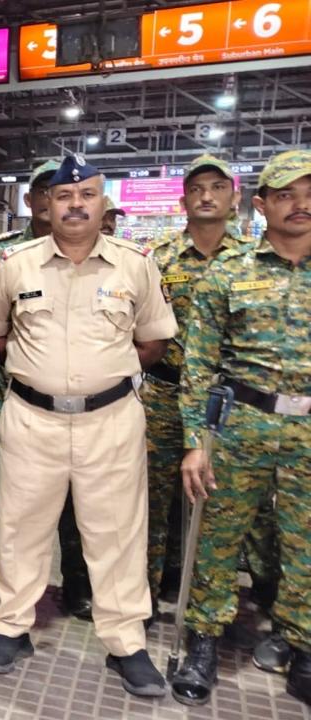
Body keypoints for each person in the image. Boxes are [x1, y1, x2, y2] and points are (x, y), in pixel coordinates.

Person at [0, 155, 176, 697]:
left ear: (102, 202)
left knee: (116, 532)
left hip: (110, 420)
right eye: (64, 196)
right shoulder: (15, 264)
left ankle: (125, 642)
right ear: (46, 204)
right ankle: (11, 627)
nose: (75, 205)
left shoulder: (135, 264)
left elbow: (153, 338)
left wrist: (101, 378)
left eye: (87, 194)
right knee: (21, 527)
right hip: (32, 418)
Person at [172, 148, 311, 707]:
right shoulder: (230, 273)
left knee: (305, 545)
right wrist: (194, 443)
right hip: (241, 425)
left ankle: (301, 644)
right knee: (218, 541)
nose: (300, 205)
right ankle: (203, 642)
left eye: (308, 193)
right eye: (285, 195)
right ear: (260, 205)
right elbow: (199, 366)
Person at [0, 160, 94, 621]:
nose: (53, 199)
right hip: (13, 387)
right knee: (2, 485)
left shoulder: (98, 251)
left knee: (77, 494)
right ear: (33, 200)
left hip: (79, 395)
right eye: (45, 192)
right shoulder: (1, 254)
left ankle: (77, 579)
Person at [142, 155, 250, 609]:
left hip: (229, 405)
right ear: (184, 199)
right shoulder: (159, 257)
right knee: (148, 499)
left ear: (235, 197)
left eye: (217, 187)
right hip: (163, 394)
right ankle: (141, 593)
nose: (206, 196)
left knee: (222, 505)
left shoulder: (252, 263)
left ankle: (209, 605)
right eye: (197, 188)